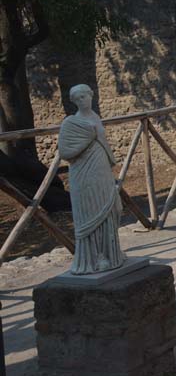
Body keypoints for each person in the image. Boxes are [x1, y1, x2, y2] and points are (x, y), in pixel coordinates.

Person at [58, 84, 126, 274]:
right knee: (92, 212)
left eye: (85, 96)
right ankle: (97, 257)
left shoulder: (95, 116)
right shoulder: (71, 123)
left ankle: (112, 253)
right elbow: (65, 152)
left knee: (114, 208)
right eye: (78, 98)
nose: (83, 100)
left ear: (91, 96)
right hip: (84, 173)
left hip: (101, 168)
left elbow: (102, 140)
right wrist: (89, 137)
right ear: (74, 101)